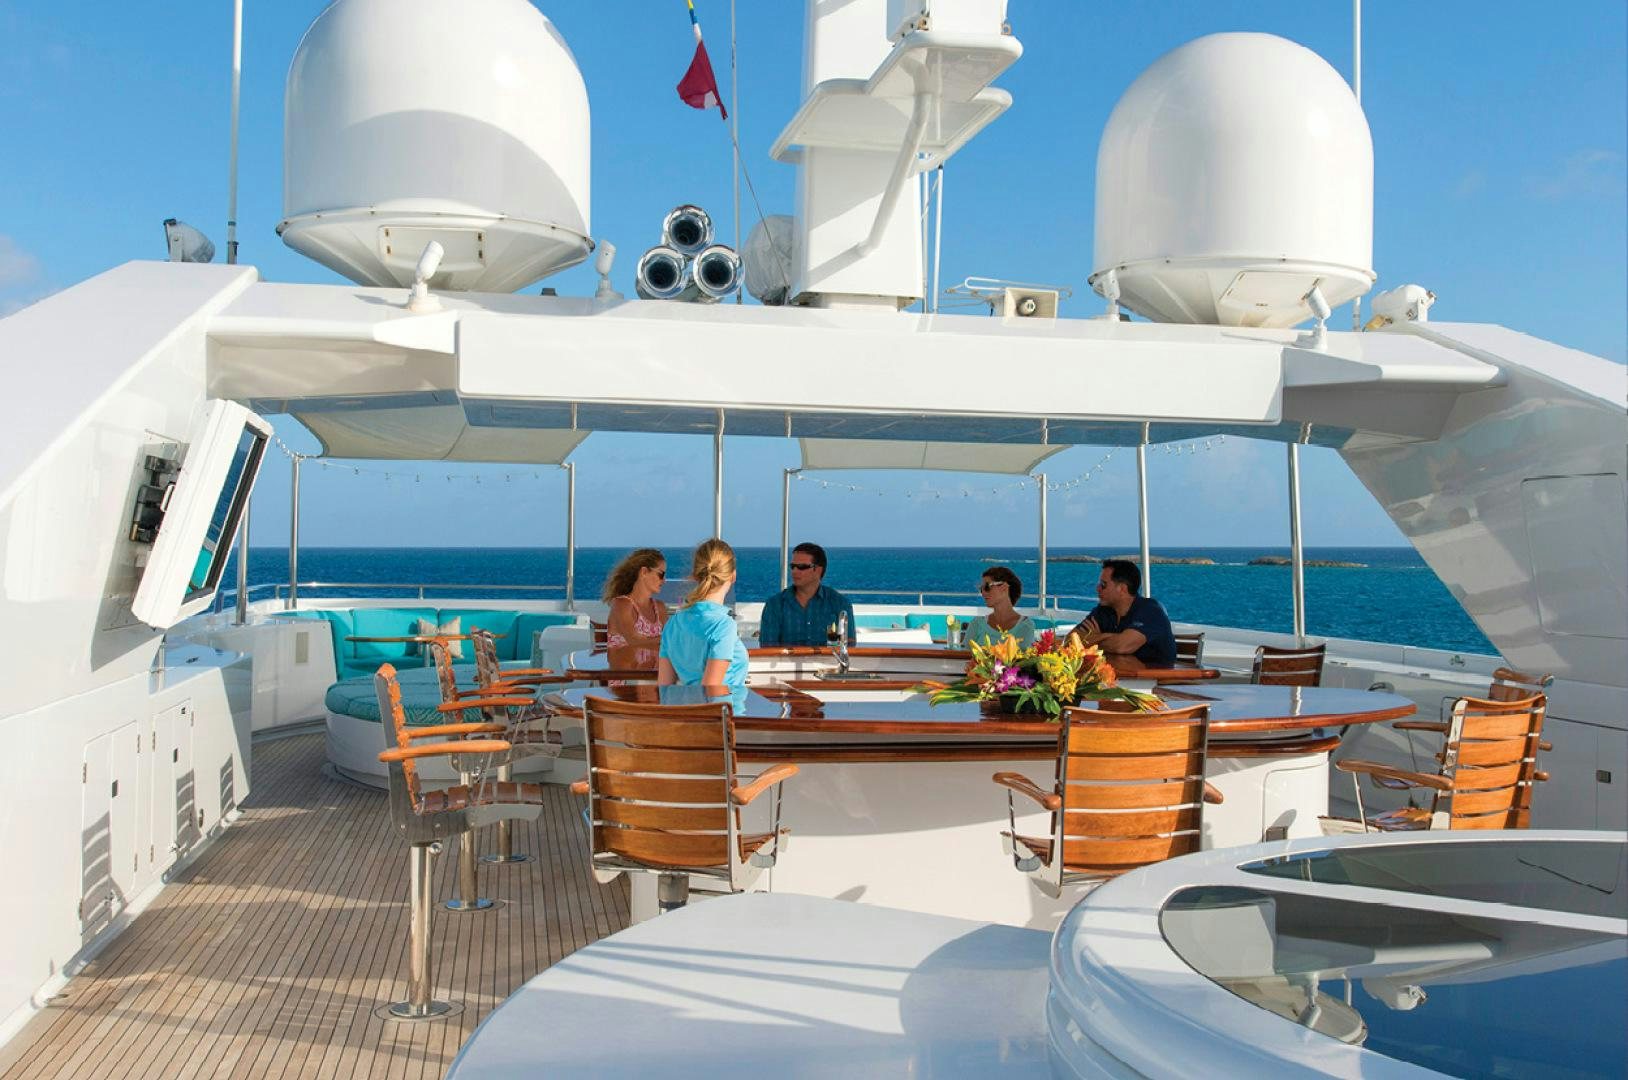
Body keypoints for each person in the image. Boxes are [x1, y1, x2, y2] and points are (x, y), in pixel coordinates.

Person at [658, 538, 749, 691]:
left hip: (688, 712)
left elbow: (664, 690)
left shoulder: (673, 623)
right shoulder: (723, 625)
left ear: (695, 575)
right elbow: (709, 692)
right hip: (724, 713)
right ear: (733, 575)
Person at [1068, 558, 1176, 666]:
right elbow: (1070, 639)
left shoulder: (1151, 611)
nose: (1098, 588)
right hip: (1121, 677)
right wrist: (1104, 638)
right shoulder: (1104, 611)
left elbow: (1122, 646)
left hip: (1155, 679)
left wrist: (1095, 638)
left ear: (1122, 589)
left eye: (1103, 585)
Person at [758, 541, 856, 647]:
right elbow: (768, 649)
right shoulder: (774, 605)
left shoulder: (840, 604)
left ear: (818, 570)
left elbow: (848, 647)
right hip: (786, 664)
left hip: (827, 664)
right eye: (793, 566)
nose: (794, 571)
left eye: (801, 567)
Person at [601, 548, 668, 652]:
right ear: (644, 572)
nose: (664, 581)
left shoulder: (660, 608)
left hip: (655, 668)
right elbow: (634, 641)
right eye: (661, 574)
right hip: (623, 668)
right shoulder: (621, 605)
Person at [961, 566, 1037, 648]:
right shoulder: (977, 623)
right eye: (981, 589)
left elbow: (1024, 658)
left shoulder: (1025, 626)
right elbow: (964, 655)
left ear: (1004, 587)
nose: (983, 593)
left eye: (987, 587)